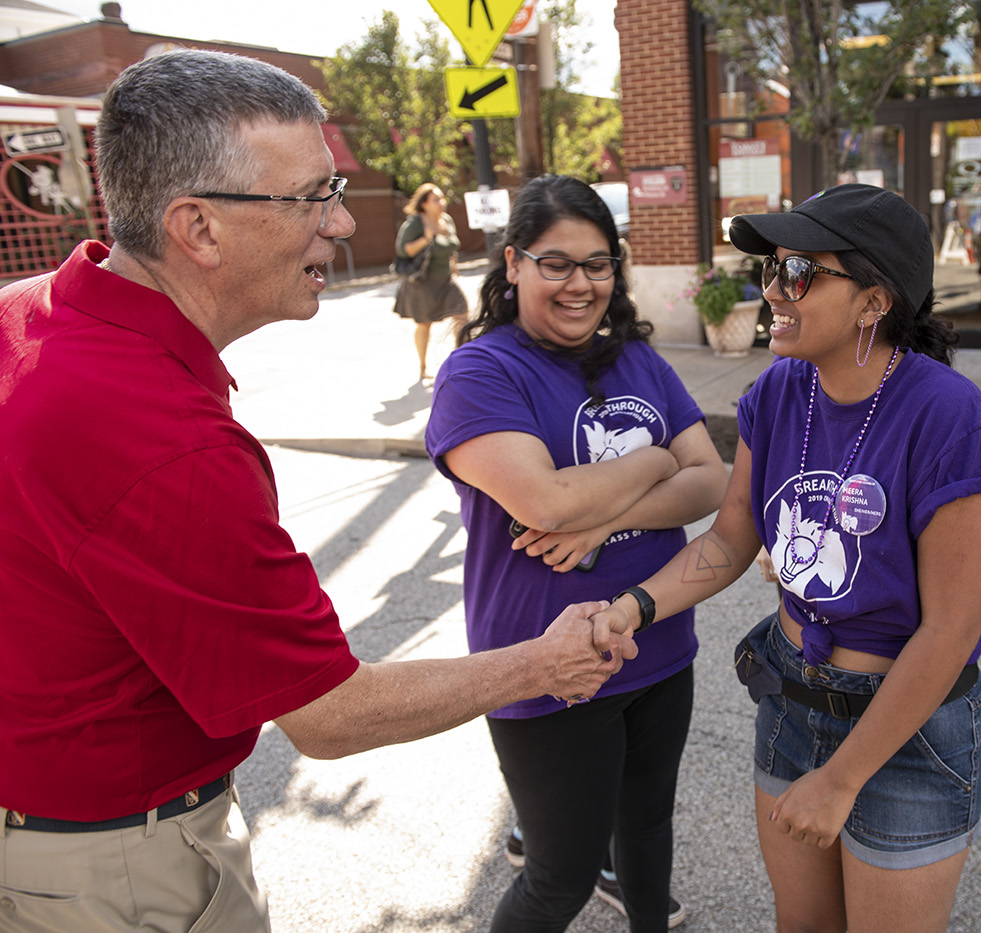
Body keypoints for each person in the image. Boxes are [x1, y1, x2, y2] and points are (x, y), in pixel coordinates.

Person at [0, 50, 629, 933]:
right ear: (199, 228)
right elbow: (329, 714)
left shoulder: (27, 312)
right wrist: (542, 661)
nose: (339, 223)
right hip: (114, 864)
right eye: (313, 197)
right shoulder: (165, 442)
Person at [591, 184, 981, 933]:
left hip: (908, 732)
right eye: (772, 270)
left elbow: (950, 632)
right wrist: (634, 605)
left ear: (873, 301)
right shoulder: (779, 391)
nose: (773, 291)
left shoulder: (950, 418)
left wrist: (843, 777)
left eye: (799, 273)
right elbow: (731, 538)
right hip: (792, 700)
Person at [424, 174, 728, 933]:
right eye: (555, 262)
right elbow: (546, 502)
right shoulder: (482, 372)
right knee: (559, 878)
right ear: (514, 263)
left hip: (658, 643)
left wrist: (603, 517)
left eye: (598, 264)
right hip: (546, 663)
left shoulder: (638, 360)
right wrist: (658, 461)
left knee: (648, 835)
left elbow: (714, 483)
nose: (580, 283)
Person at [393, 182, 470, 382]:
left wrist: (454, 265)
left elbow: (452, 246)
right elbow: (403, 250)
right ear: (424, 204)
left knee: (462, 314)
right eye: (436, 200)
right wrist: (426, 238)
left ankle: (460, 361)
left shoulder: (447, 220)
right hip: (423, 282)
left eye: (442, 198)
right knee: (425, 324)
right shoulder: (415, 224)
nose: (441, 203)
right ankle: (423, 367)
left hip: (445, 279)